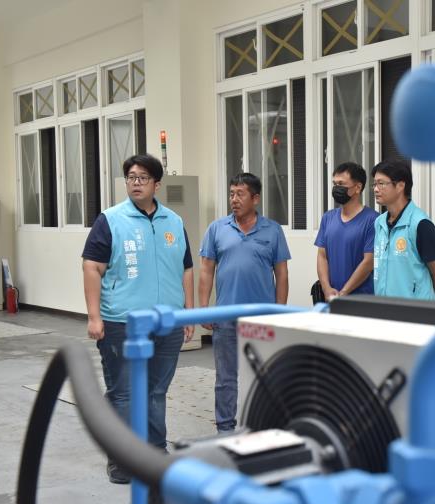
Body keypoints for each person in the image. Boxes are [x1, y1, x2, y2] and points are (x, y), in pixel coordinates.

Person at [82, 154, 195, 484]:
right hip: (122, 323)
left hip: (167, 321)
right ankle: (121, 459)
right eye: (131, 177)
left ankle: (155, 451)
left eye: (143, 177)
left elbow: (186, 268)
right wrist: (94, 316)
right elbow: (92, 267)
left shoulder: (174, 221)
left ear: (157, 184)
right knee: (123, 393)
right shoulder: (110, 220)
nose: (135, 183)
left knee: (156, 390)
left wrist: (188, 312)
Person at [198, 172, 291, 433]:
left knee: (264, 374)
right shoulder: (217, 228)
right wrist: (203, 309)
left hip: (261, 318)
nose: (234, 199)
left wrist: (279, 311)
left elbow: (282, 274)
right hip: (226, 316)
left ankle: (261, 426)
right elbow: (206, 270)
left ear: (255, 198)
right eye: (231, 194)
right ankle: (225, 428)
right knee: (225, 378)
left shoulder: (272, 230)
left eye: (240, 194)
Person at [372, 160, 435, 300]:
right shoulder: (379, 222)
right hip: (384, 306)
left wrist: (425, 300)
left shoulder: (420, 224)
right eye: (374, 184)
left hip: (414, 309)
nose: (375, 189)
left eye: (381, 183)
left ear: (400, 186)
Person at [315, 162, 378, 301]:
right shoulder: (328, 218)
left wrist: (344, 293)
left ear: (358, 187)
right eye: (334, 184)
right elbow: (322, 256)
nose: (336, 188)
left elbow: (369, 261)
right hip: (332, 298)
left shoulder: (373, 220)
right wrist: (326, 289)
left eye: (341, 184)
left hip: (362, 300)